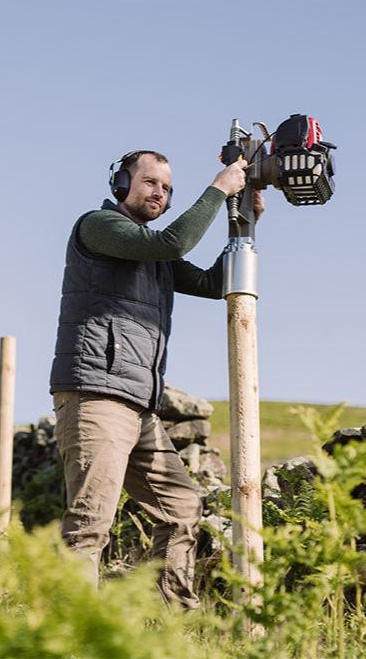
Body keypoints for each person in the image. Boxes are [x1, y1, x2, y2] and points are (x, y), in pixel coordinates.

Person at [49, 149, 262, 608]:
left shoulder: (154, 254)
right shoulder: (98, 226)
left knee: (182, 509)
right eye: (150, 183)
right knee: (89, 526)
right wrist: (219, 188)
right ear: (121, 183)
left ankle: (171, 629)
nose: (159, 194)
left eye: (166, 189)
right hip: (96, 394)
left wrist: (244, 222)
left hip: (138, 404)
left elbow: (211, 283)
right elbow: (172, 244)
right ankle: (68, 639)